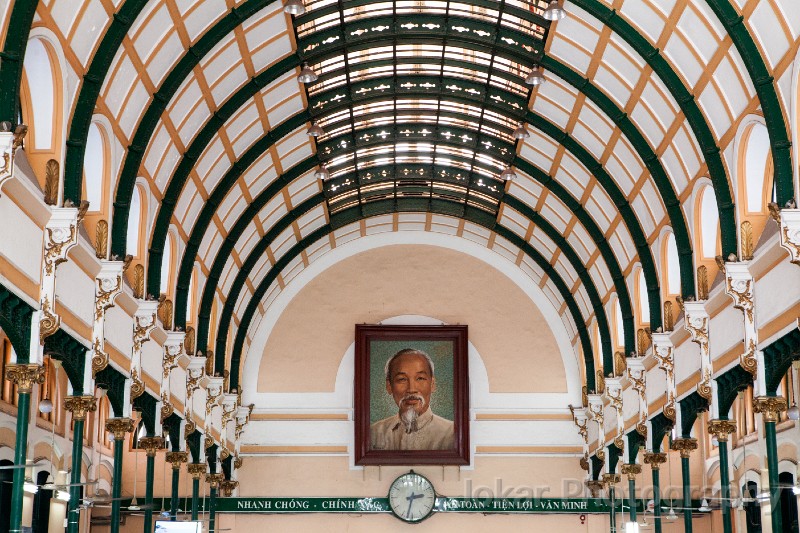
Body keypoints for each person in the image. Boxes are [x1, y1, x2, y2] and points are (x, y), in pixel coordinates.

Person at [370, 348, 454, 450]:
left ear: (432, 384)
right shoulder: (374, 433)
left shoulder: (452, 433)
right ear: (389, 386)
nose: (411, 389)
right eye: (402, 379)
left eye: (420, 378)